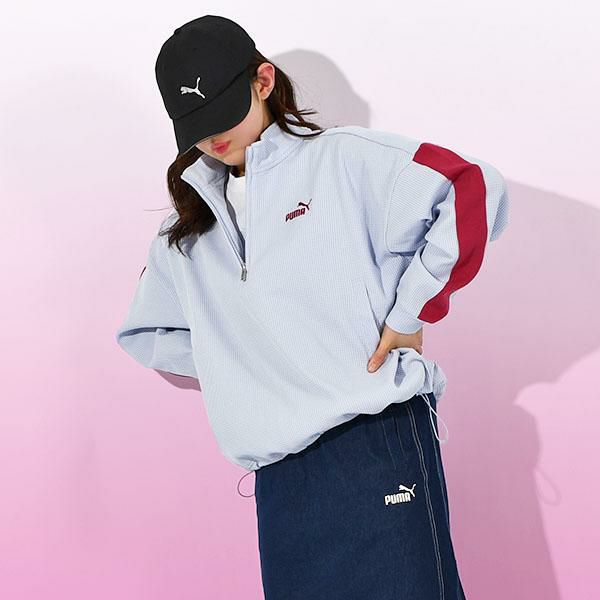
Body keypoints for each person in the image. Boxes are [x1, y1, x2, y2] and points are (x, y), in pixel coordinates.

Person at [115, 14, 509, 600]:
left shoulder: (344, 160)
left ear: (263, 81)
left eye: (222, 111)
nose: (212, 135)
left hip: (373, 443)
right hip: (280, 480)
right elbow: (148, 333)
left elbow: (470, 187)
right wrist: (243, 364)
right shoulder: (188, 233)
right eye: (195, 124)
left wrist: (410, 313)